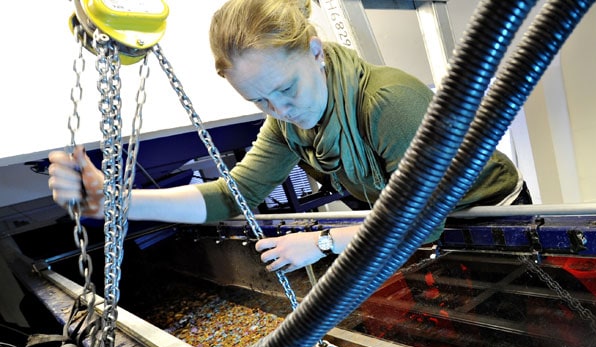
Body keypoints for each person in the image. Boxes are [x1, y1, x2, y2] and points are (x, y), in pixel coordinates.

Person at [47, 0, 529, 274]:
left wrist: (323, 241)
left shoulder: (388, 102)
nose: (281, 110)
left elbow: (422, 223)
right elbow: (232, 196)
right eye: (260, 101)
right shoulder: (286, 124)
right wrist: (117, 201)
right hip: (417, 232)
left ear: (315, 52)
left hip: (495, 217)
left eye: (285, 89)